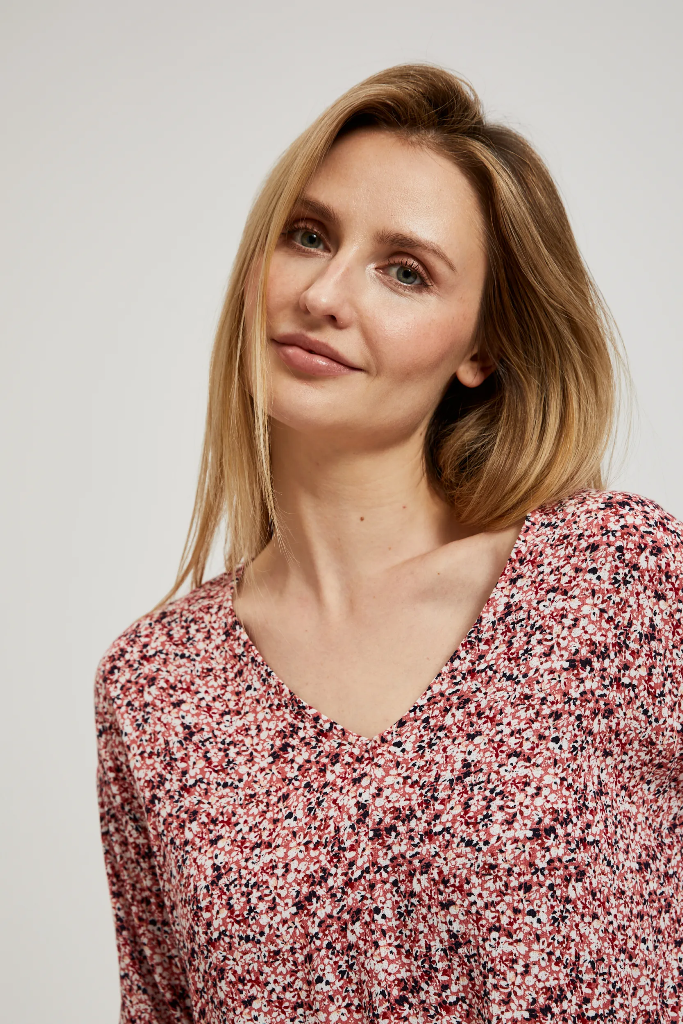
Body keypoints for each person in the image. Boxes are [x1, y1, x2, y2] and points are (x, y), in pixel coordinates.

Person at [95, 64, 683, 1023]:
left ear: (481, 348)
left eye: (404, 271)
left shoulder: (613, 580)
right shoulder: (157, 685)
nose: (324, 294)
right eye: (307, 235)